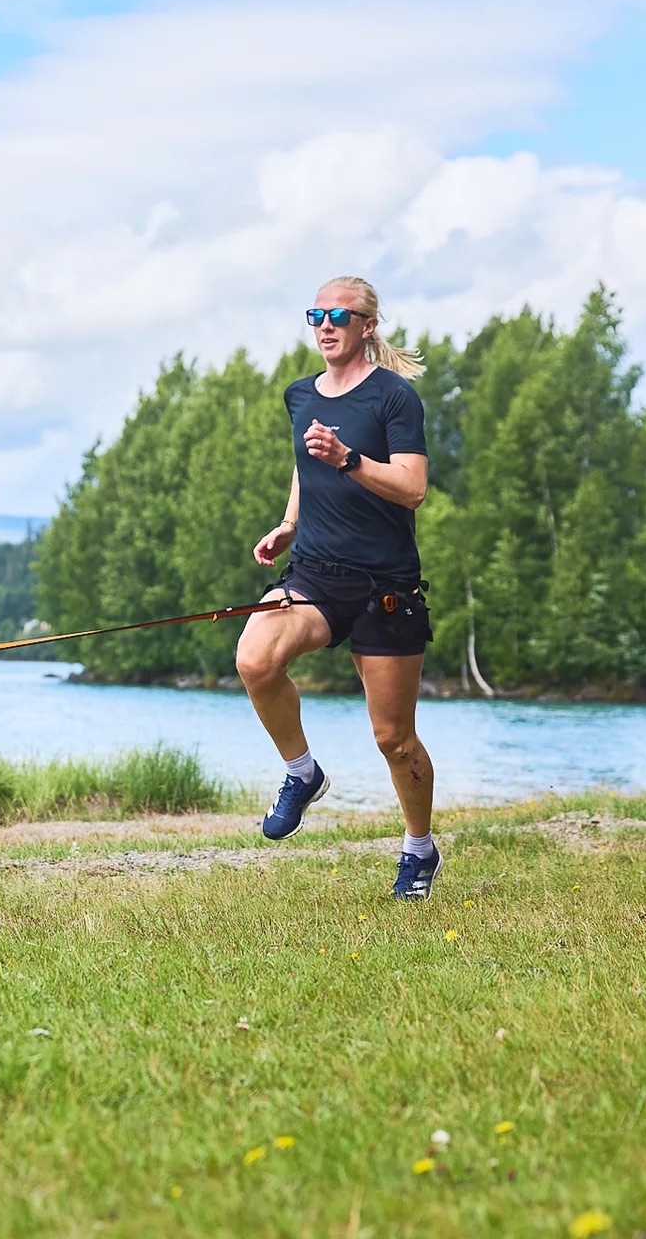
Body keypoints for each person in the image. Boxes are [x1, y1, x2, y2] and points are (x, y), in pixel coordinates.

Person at [236, 276, 440, 900]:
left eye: (339, 316)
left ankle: (419, 849)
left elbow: (413, 488)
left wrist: (348, 458)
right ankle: (302, 772)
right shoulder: (300, 395)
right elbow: (306, 467)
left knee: (393, 739)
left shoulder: (394, 398)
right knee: (255, 657)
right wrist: (289, 524)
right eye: (316, 315)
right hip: (317, 575)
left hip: (385, 586)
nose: (325, 325)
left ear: (367, 326)